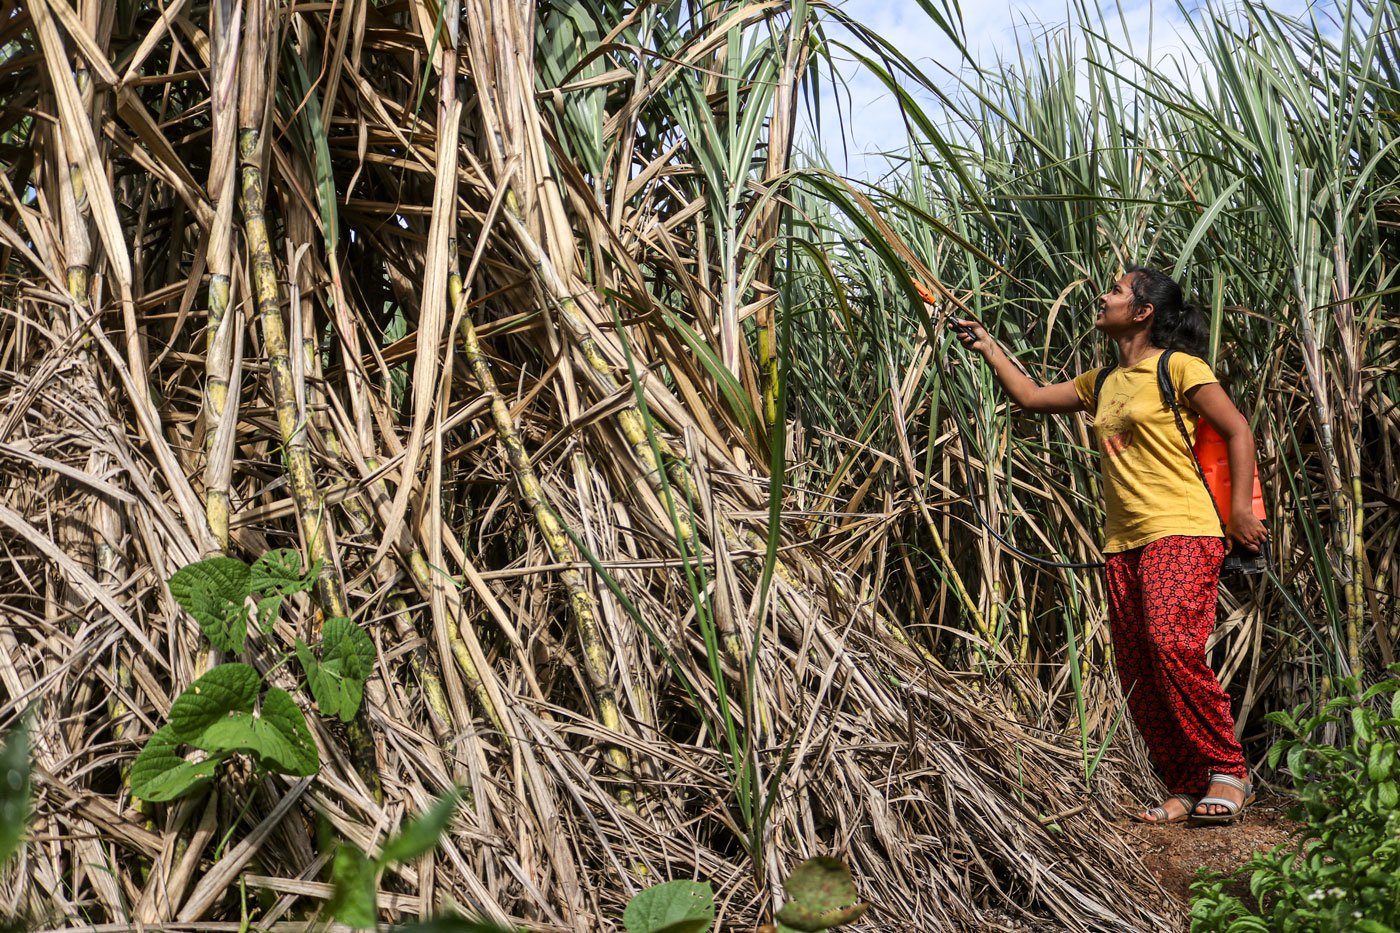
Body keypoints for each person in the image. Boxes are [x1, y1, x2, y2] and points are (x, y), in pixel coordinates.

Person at [953, 264, 1268, 825]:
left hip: (1184, 527)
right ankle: (1188, 782)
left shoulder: (1179, 368)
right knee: (1139, 667)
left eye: (1117, 291)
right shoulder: (1099, 382)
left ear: (1143, 312)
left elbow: (1237, 428)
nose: (1104, 295)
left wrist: (1241, 509)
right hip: (1123, 540)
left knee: (1172, 644)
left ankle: (1228, 770)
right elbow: (1028, 397)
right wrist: (988, 346)